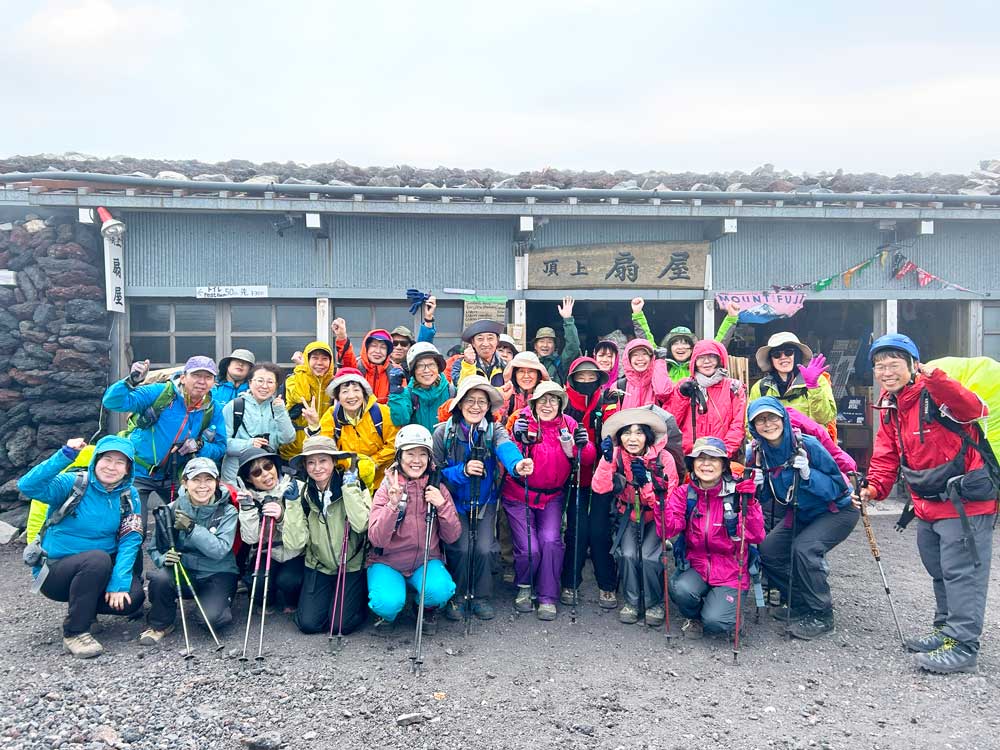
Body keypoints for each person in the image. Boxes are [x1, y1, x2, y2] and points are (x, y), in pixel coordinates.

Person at [859, 334, 995, 674]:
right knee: (940, 570)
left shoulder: (936, 393)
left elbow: (974, 409)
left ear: (913, 365)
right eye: (879, 366)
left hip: (964, 502)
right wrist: (875, 487)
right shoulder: (891, 406)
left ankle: (963, 646)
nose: (886, 372)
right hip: (927, 503)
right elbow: (887, 454)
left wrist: (936, 380)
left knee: (962, 574)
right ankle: (944, 631)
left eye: (894, 364)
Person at [16, 435, 145, 658]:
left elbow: (130, 538)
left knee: (133, 598)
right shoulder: (73, 484)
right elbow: (28, 486)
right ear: (96, 460)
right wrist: (65, 455)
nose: (111, 467)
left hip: (96, 570)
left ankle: (87, 611)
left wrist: (119, 583)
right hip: (55, 571)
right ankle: (75, 632)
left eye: (120, 462)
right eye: (107, 459)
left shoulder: (128, 495)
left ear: (128, 469)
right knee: (97, 559)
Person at [748, 397, 858, 640]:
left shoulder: (807, 445)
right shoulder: (759, 453)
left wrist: (809, 475)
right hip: (802, 512)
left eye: (772, 417)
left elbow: (838, 486)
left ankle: (822, 614)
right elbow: (770, 496)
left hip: (837, 509)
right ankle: (800, 603)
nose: (768, 424)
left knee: (805, 549)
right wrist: (758, 486)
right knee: (768, 550)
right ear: (753, 426)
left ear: (783, 418)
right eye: (760, 420)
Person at [432, 375, 533, 621]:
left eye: (482, 401)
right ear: (459, 403)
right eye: (470, 400)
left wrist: (517, 464)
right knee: (461, 548)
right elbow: (435, 473)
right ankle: (457, 595)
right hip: (453, 502)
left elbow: (505, 447)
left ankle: (480, 596)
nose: (475, 406)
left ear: (489, 407)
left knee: (485, 549)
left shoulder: (493, 430)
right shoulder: (443, 433)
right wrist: (463, 471)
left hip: (485, 502)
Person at [102, 355, 227, 534]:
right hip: (138, 471)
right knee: (134, 529)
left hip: (175, 474)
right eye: (196, 375)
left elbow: (221, 447)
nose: (202, 381)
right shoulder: (161, 393)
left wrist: (200, 446)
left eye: (208, 377)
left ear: (214, 382)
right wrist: (130, 381)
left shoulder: (212, 409)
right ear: (183, 377)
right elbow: (112, 402)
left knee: (185, 526)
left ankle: (170, 553)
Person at [502, 382, 590, 620]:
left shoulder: (568, 424)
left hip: (552, 497)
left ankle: (547, 596)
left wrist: (583, 445)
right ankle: (525, 586)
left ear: (561, 404)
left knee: (551, 541)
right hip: (519, 495)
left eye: (553, 400)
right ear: (534, 403)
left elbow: (586, 458)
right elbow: (508, 453)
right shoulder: (521, 421)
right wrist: (518, 438)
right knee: (529, 547)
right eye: (542, 400)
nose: (547, 405)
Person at [663, 437, 764, 638]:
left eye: (713, 459)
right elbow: (668, 530)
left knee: (716, 621)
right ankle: (695, 616)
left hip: (731, 569)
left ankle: (725, 612)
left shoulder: (738, 493)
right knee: (680, 589)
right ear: (692, 464)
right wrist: (660, 501)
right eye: (700, 459)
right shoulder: (685, 494)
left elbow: (755, 535)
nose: (706, 464)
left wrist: (750, 503)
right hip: (697, 565)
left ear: (724, 465)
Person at [366, 425, 462, 634]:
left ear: (429, 458)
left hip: (425, 559)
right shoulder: (387, 488)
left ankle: (424, 608)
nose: (416, 460)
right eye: (410, 453)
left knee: (441, 590)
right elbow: (377, 539)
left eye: (422, 454)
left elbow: (452, 535)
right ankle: (387, 615)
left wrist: (442, 505)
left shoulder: (437, 488)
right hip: (388, 561)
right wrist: (392, 505)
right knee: (387, 602)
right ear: (399, 456)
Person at [592, 407, 679, 626]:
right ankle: (631, 601)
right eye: (627, 432)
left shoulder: (664, 458)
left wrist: (646, 484)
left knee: (649, 557)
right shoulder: (616, 455)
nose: (632, 438)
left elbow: (666, 502)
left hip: (656, 517)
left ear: (648, 436)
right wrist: (606, 461)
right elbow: (600, 488)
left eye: (639, 432)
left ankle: (654, 602)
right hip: (628, 514)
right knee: (628, 555)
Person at [141, 458, 239, 644]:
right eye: (196, 480)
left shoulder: (227, 511)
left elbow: (220, 550)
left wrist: (192, 529)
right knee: (160, 579)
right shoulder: (171, 510)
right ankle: (160, 624)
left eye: (208, 479)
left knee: (212, 620)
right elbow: (154, 548)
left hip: (218, 572)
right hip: (184, 571)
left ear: (217, 482)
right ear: (185, 483)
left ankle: (215, 604)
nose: (202, 486)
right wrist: (163, 559)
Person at [282, 436, 373, 635]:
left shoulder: (355, 484)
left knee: (340, 625)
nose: (317, 468)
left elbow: (362, 525)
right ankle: (333, 603)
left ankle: (354, 603)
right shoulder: (302, 493)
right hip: (319, 564)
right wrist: (292, 504)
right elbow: (295, 543)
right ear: (305, 466)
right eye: (311, 462)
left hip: (351, 563)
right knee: (308, 624)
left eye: (323, 460)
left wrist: (350, 490)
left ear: (334, 461)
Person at [560, 357, 619, 609]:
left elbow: (615, 430)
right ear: (572, 379)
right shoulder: (562, 402)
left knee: (599, 531)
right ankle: (569, 582)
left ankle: (607, 584)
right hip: (573, 477)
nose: (586, 381)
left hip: (601, 476)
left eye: (591, 377)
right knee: (576, 530)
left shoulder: (606, 400)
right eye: (581, 377)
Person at [235, 447, 305, 613]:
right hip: (267, 551)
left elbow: (301, 535)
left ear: (275, 465)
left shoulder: (296, 487)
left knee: (289, 581)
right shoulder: (248, 497)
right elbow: (251, 539)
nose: (265, 474)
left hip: (295, 551)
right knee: (258, 583)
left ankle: (291, 601)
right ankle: (267, 602)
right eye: (257, 472)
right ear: (249, 479)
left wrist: (281, 518)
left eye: (268, 466)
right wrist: (247, 509)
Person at [314, 367, 398, 487]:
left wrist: (372, 462)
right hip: (347, 483)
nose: (351, 396)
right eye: (345, 391)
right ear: (337, 397)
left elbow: (394, 444)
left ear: (364, 393)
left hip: (382, 483)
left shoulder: (382, 413)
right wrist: (351, 464)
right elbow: (325, 447)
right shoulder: (331, 416)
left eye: (356, 390)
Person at [629, 298, 741, 383]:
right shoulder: (662, 365)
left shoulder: (699, 367)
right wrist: (638, 314)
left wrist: (731, 318)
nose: (681, 347)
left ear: (692, 348)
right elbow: (647, 341)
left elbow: (718, 345)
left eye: (685, 343)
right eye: (676, 343)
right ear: (670, 348)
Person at [670, 340, 747, 456]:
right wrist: (682, 397)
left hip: (722, 456)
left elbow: (738, 425)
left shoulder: (733, 388)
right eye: (701, 358)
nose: (706, 361)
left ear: (719, 360)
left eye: (712, 356)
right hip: (688, 456)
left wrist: (723, 454)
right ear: (694, 361)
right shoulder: (684, 385)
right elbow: (672, 423)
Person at [221, 363, 295, 483]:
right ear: (250, 383)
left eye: (270, 382)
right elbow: (222, 443)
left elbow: (288, 438)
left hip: (266, 475)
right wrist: (249, 444)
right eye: (260, 381)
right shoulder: (234, 406)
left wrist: (280, 411)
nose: (264, 386)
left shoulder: (277, 408)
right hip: (234, 477)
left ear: (276, 385)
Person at [749, 333, 836, 433]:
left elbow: (824, 418)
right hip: (774, 442)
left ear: (797, 355)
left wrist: (813, 387)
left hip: (810, 441)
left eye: (788, 352)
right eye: (776, 354)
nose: (783, 357)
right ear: (771, 359)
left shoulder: (818, 380)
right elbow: (750, 424)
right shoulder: (760, 387)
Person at [280, 341, 337, 461]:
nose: (319, 363)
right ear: (307, 359)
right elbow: (301, 397)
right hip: (294, 450)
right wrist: (302, 367)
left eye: (325, 359)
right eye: (315, 358)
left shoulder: (334, 384)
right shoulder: (293, 379)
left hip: (323, 447)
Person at [387, 342, 453, 431]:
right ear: (413, 370)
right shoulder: (407, 394)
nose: (427, 370)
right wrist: (396, 393)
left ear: (438, 367)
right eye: (420, 366)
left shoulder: (452, 392)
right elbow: (400, 420)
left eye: (431, 365)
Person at [530, 296, 581, 385]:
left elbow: (573, 347)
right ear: (535, 346)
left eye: (549, 342)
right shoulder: (529, 363)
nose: (545, 345)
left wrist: (568, 320)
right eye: (542, 341)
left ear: (554, 346)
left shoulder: (560, 363)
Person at [620, 339, 673, 410]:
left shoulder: (658, 382)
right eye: (635, 355)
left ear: (651, 358)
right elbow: (612, 416)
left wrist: (659, 361)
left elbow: (663, 393)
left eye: (644, 354)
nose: (640, 358)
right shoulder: (619, 386)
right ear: (628, 359)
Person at [452, 320, 506, 387]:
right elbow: (462, 388)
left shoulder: (504, 365)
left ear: (497, 341)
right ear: (473, 343)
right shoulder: (460, 364)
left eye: (490, 338)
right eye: (480, 339)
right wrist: (469, 364)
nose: (485, 344)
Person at [501, 351, 550, 422]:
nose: (526, 376)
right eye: (521, 371)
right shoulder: (506, 393)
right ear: (514, 374)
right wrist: (505, 400)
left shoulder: (546, 394)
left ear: (538, 374)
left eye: (531, 371)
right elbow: (498, 421)